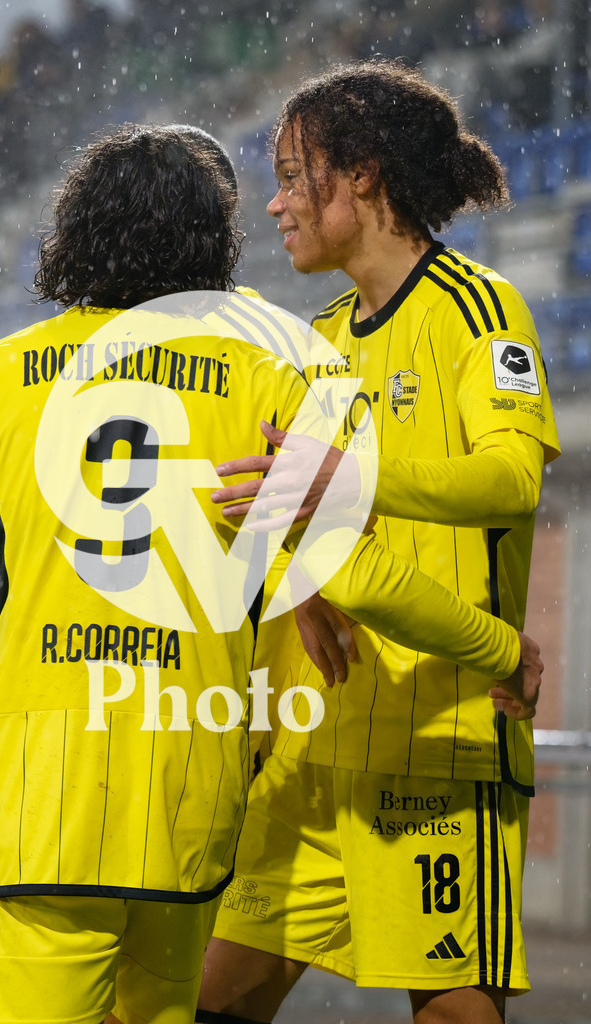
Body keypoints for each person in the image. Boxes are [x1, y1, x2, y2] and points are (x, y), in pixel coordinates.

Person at [0, 122, 539, 1024]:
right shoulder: (267, 381)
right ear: (213, 245)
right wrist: (493, 643)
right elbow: (360, 577)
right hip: (188, 813)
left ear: (76, 231)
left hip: (41, 819)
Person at [198, 60, 561, 1024]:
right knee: (208, 1001)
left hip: (441, 739)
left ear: (361, 175)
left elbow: (510, 481)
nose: (274, 203)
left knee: (449, 1010)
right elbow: (291, 504)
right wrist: (304, 585)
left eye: (291, 173)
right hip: (321, 748)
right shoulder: (311, 340)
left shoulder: (481, 309)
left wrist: (351, 483)